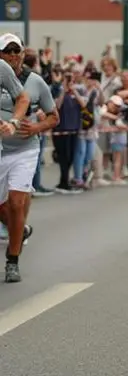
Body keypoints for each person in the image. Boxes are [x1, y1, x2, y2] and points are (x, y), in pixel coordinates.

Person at [0, 36, 59, 282]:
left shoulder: (35, 82)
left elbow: (53, 116)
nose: (13, 55)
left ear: (23, 53)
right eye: (7, 51)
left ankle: (12, 261)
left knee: (16, 202)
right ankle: (20, 229)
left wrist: (34, 128)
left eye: (17, 50)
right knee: (5, 209)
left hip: (24, 149)